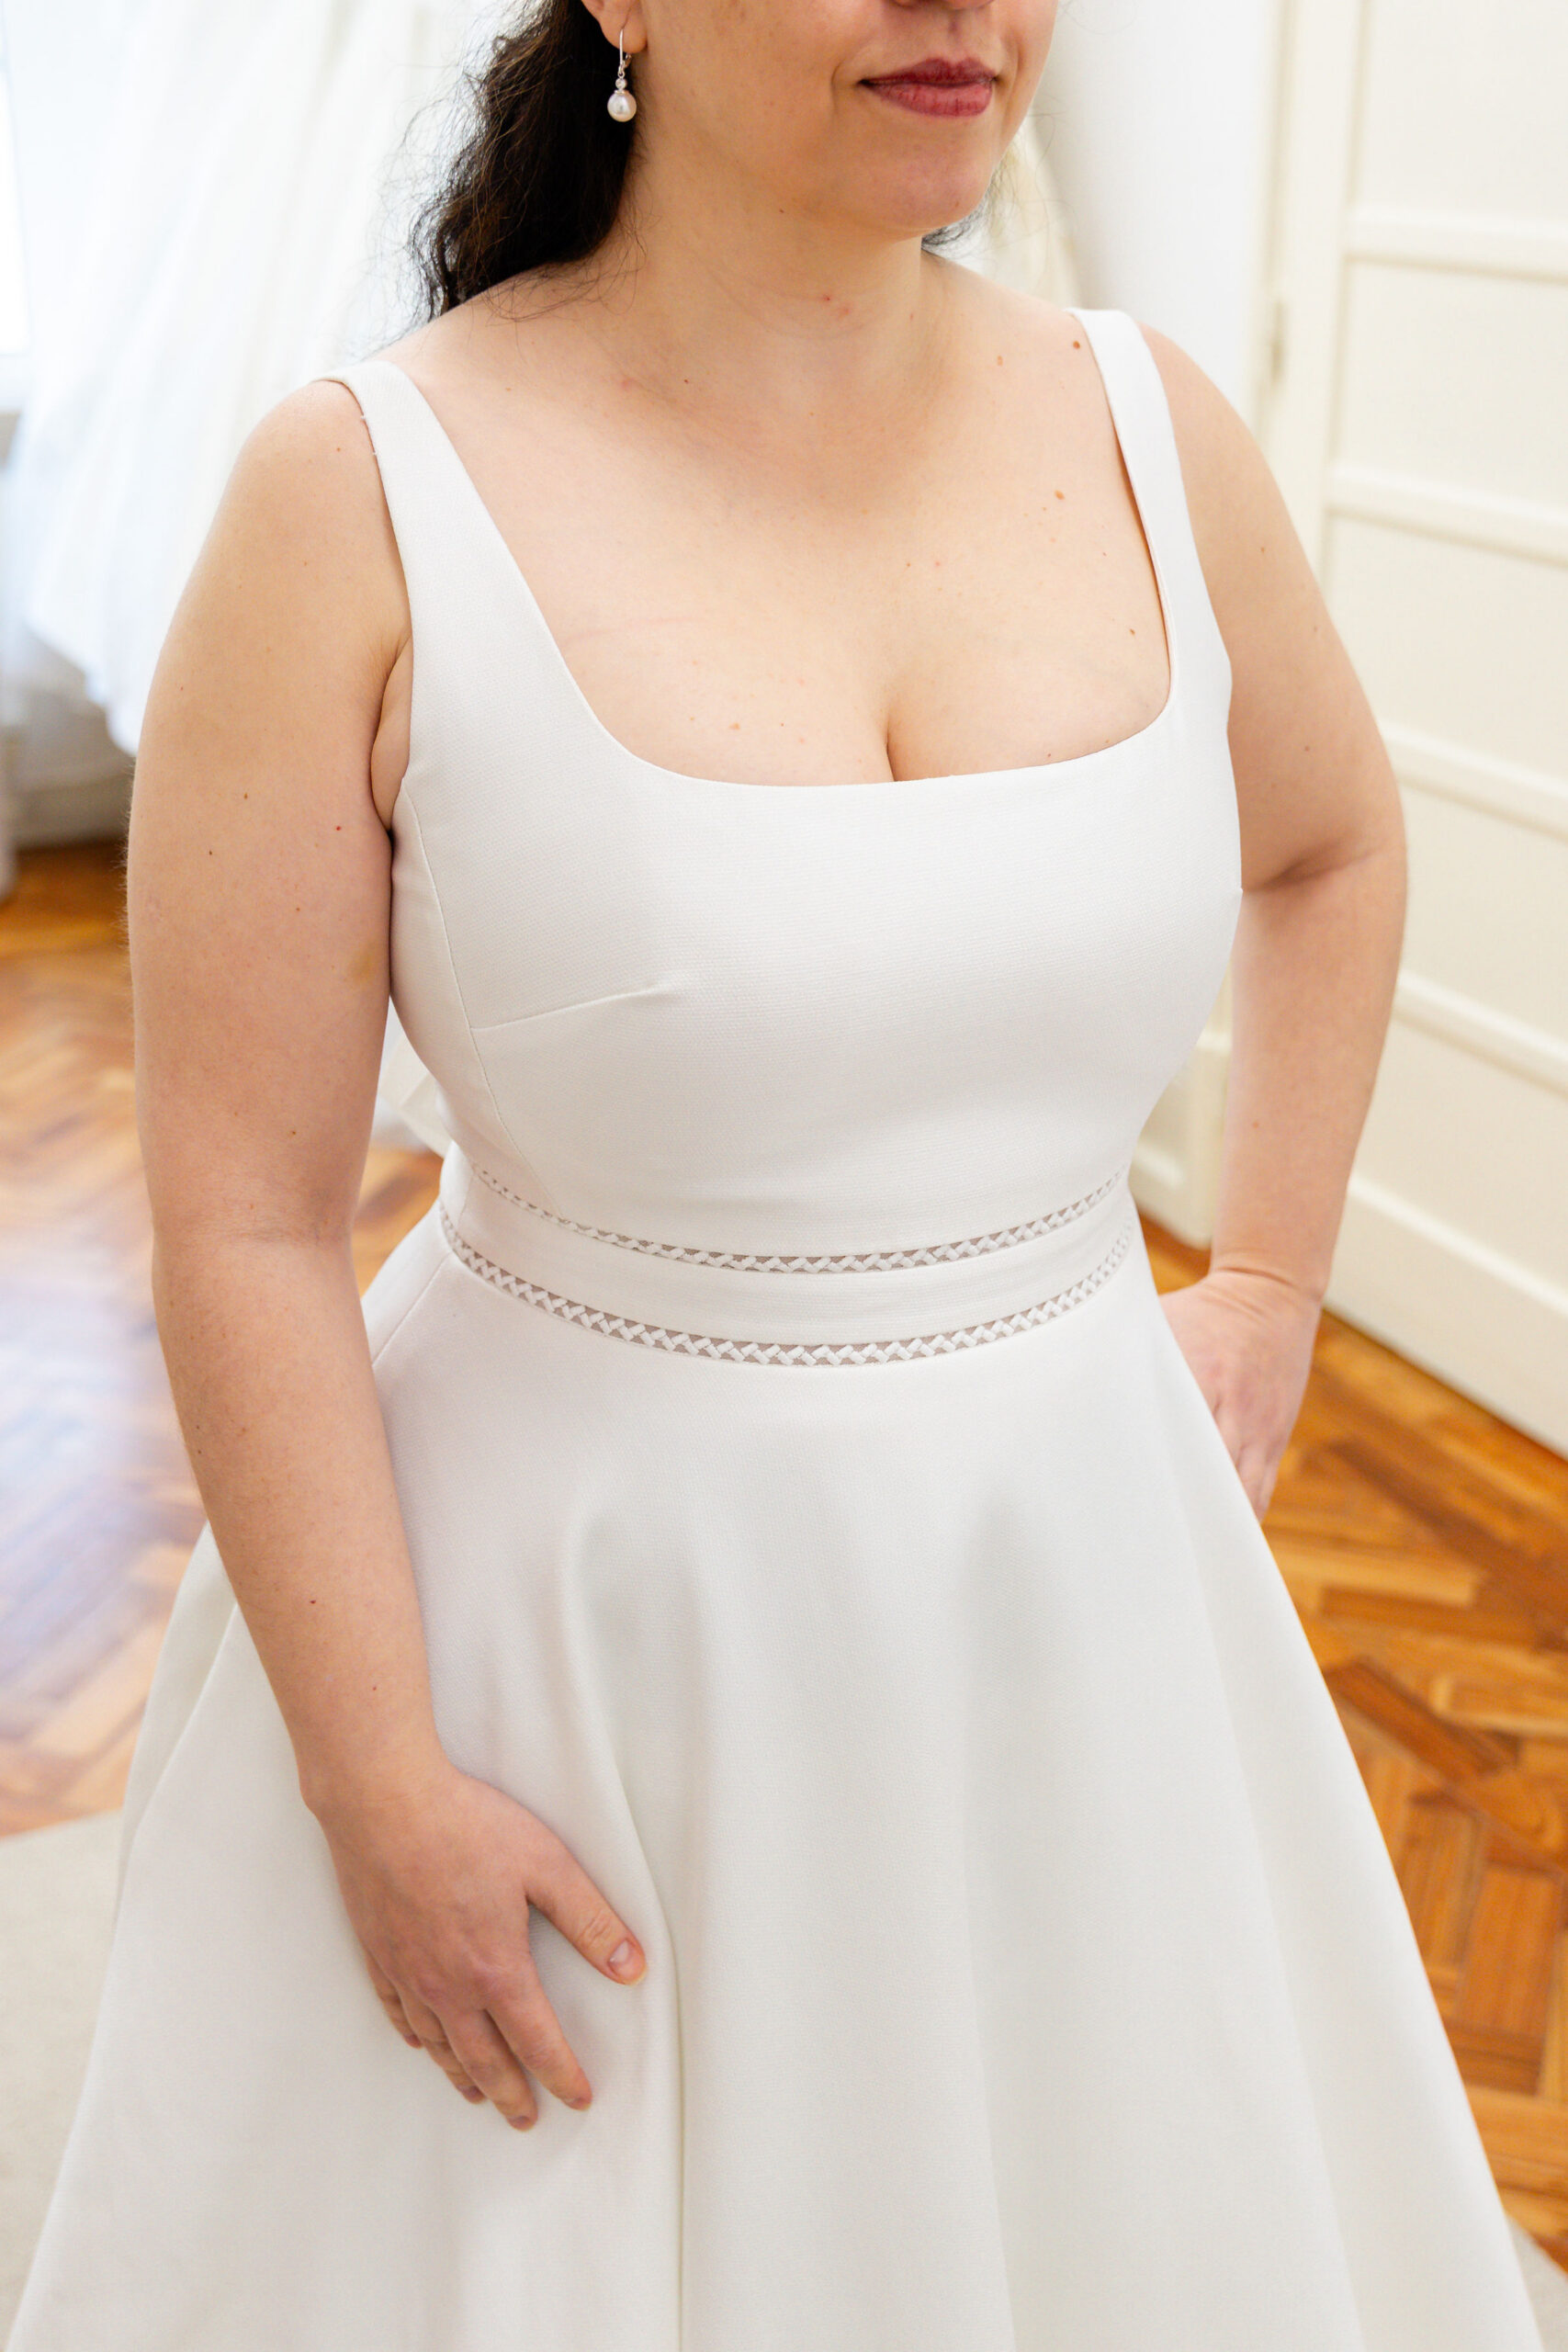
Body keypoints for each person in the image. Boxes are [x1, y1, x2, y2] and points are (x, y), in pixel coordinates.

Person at [10, 4, 1547, 2347]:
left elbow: (1329, 844)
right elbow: (242, 1215)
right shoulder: (358, 498)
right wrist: (373, 1772)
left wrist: (1262, 1281)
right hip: (566, 1630)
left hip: (1073, 1573)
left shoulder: (1149, 424)